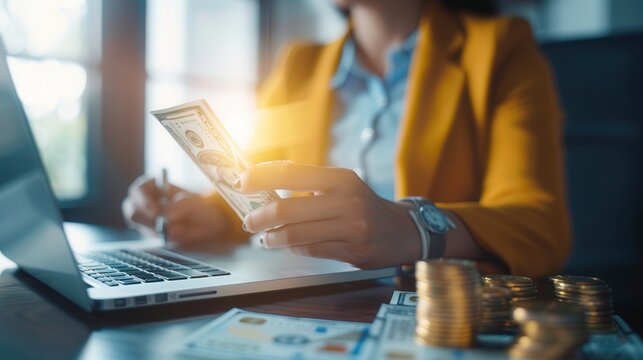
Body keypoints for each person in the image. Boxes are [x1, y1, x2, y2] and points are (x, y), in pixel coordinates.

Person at [123, 0, 570, 277]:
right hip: (304, 298)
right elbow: (256, 188)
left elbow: (538, 225)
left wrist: (410, 227)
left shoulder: (500, 49)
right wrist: (203, 214)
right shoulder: (299, 66)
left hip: (437, 313)